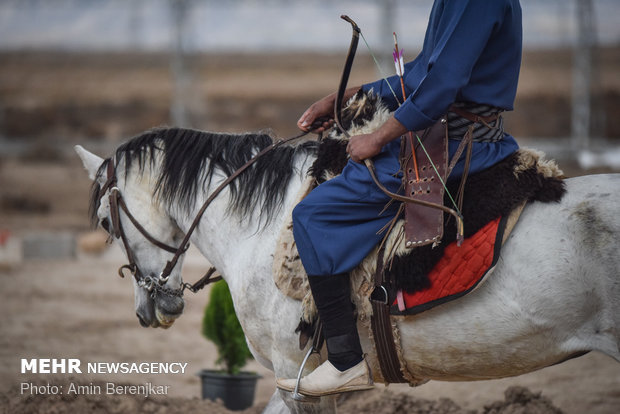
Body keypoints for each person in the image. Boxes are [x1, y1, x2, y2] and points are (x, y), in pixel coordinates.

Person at [276, 0, 522, 396]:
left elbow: (441, 85)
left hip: (460, 146)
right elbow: (424, 73)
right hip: (450, 134)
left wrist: (376, 137)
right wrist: (348, 98)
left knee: (315, 215)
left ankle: (345, 362)